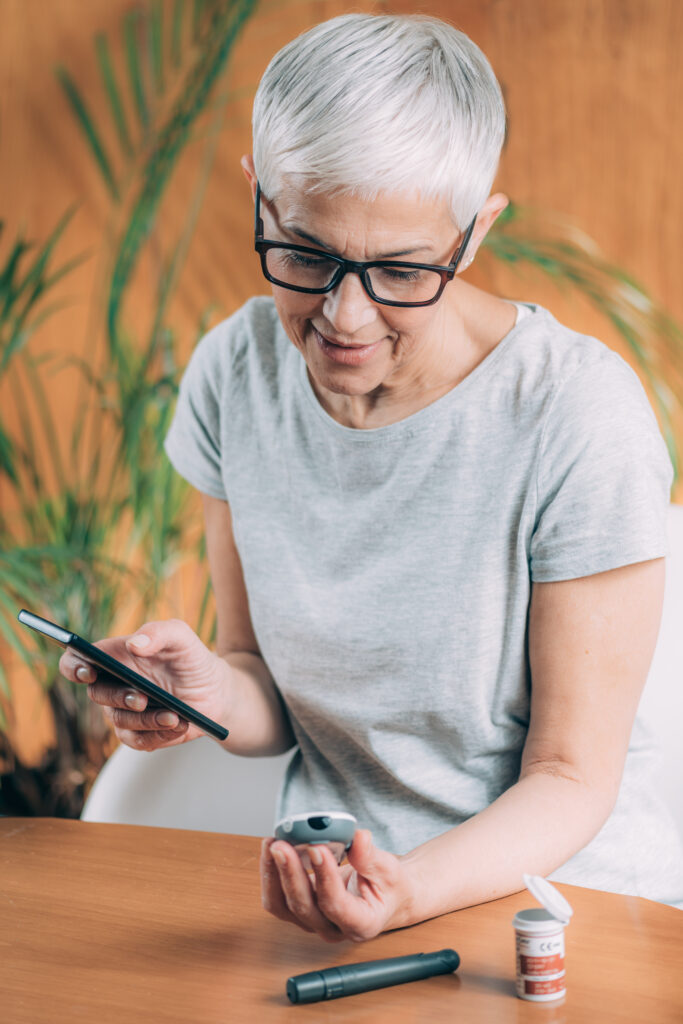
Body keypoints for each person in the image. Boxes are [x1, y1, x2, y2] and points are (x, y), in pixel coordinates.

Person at [60, 13, 683, 939]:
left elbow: (570, 779)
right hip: (334, 897)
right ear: (260, 196)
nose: (344, 317)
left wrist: (409, 890)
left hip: (560, 913)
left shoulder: (576, 414)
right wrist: (209, 695)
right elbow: (265, 683)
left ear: (473, 236)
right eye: (305, 254)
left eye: (398, 270)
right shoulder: (235, 375)